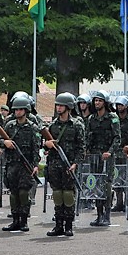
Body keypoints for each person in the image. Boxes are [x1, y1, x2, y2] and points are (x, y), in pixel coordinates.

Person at [44, 93, 85, 237]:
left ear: (68, 107)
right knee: (57, 195)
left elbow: (81, 148)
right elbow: (46, 147)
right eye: (57, 105)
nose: (58, 107)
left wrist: (75, 164)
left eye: (61, 105)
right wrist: (47, 144)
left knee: (68, 195)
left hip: (69, 166)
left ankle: (68, 225)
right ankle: (58, 225)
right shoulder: (53, 126)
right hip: (55, 164)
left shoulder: (77, 125)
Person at [0, 96, 41, 232]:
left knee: (23, 192)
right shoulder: (9, 125)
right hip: (12, 164)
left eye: (20, 109)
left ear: (26, 110)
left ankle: (24, 220)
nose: (17, 112)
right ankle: (15, 220)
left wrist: (35, 165)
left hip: (25, 164)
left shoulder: (32, 127)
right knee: (13, 193)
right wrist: (4, 143)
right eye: (16, 109)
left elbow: (36, 148)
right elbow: (0, 140)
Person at [86, 90, 120, 227]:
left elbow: (117, 138)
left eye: (99, 100)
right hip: (95, 156)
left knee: (106, 186)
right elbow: (88, 137)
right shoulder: (91, 119)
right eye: (95, 101)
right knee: (95, 186)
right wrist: (86, 150)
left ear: (105, 102)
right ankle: (99, 215)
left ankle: (107, 215)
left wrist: (110, 152)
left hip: (107, 157)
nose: (97, 103)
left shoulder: (113, 117)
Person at [111, 95, 128, 213]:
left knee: (127, 179)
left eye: (122, 105)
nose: (119, 107)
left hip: (126, 154)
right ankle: (119, 202)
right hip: (116, 153)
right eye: (118, 105)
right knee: (116, 179)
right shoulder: (114, 120)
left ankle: (127, 202)